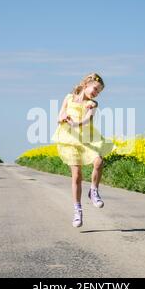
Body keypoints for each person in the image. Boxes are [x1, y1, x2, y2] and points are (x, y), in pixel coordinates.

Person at [50, 73, 116, 228]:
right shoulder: (68, 97)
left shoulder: (92, 104)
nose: (96, 93)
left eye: (99, 92)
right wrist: (63, 117)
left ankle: (93, 190)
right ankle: (77, 210)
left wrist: (76, 123)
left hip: (88, 138)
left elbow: (86, 120)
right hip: (70, 140)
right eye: (95, 88)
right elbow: (59, 116)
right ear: (86, 84)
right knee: (77, 176)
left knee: (99, 161)